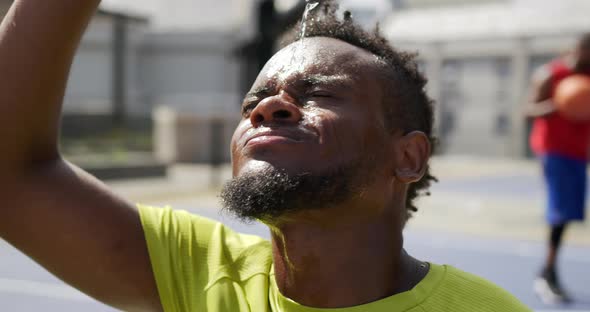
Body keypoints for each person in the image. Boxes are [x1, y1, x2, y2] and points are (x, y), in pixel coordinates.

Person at [0, 0, 530, 311]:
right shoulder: (201, 271)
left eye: (318, 93)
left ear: (409, 157)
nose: (268, 107)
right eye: (253, 102)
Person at [526, 33, 590, 304]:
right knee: (560, 214)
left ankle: (548, 271)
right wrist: (557, 105)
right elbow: (527, 110)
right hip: (554, 152)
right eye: (584, 50)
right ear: (574, 50)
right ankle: (546, 275)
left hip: (579, 154)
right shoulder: (551, 75)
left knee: (571, 214)